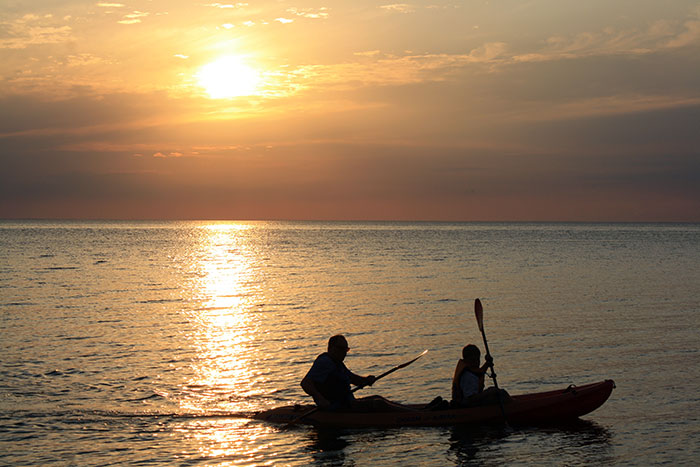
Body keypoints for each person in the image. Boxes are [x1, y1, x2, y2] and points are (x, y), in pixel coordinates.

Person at [301, 334, 409, 412]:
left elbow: (353, 379)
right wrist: (321, 399)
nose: (344, 352)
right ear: (331, 348)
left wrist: (367, 380)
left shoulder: (337, 363)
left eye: (346, 349)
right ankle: (414, 415)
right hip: (336, 407)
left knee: (378, 398)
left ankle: (410, 410)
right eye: (341, 349)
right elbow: (305, 383)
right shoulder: (324, 362)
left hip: (346, 403)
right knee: (378, 403)